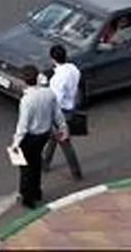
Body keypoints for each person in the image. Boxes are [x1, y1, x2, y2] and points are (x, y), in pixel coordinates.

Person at [11, 64, 67, 209]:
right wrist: (62, 127)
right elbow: (57, 114)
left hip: (30, 137)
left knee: (25, 167)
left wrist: (16, 143)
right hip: (44, 134)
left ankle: (27, 196)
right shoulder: (48, 93)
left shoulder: (27, 100)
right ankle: (36, 191)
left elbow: (23, 125)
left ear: (24, 81)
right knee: (35, 162)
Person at [41, 45, 84, 180]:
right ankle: (45, 162)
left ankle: (76, 172)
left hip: (60, 113)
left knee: (65, 143)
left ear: (52, 59)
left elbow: (56, 100)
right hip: (70, 107)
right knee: (54, 138)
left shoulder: (57, 79)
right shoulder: (73, 69)